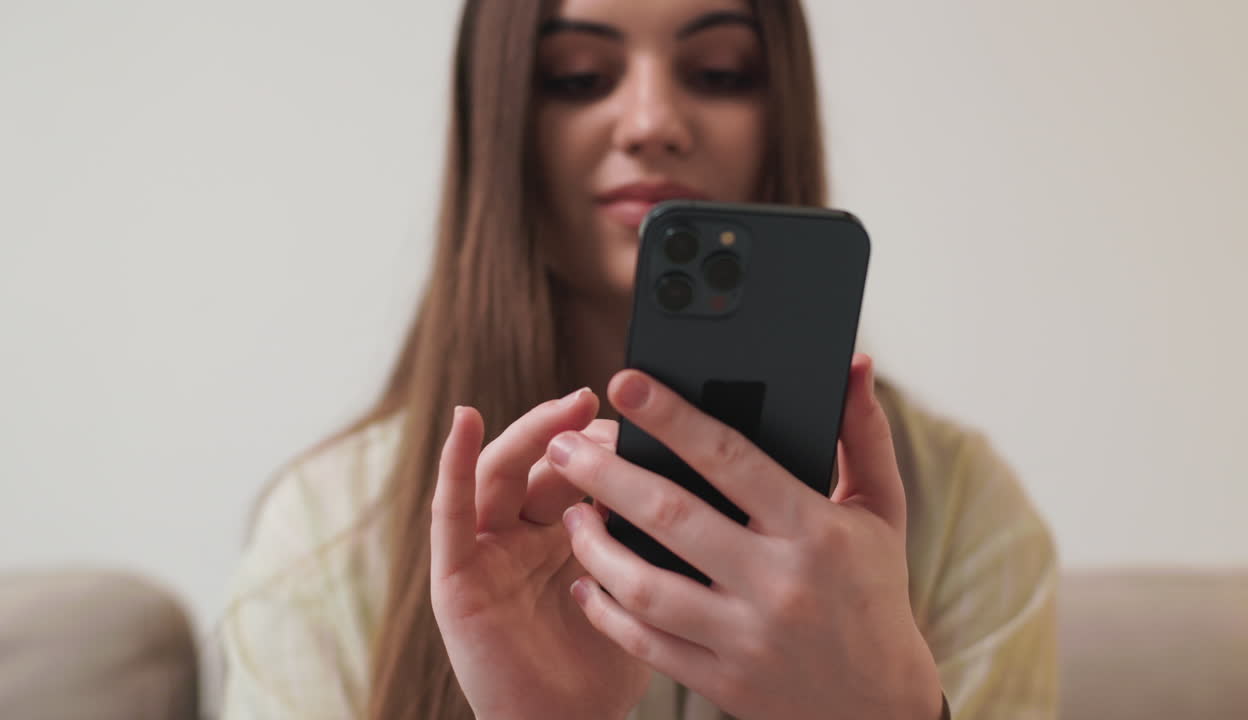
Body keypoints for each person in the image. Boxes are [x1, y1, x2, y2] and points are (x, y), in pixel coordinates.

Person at [218, 1, 1059, 718]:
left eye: (720, 72)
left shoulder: (962, 511)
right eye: (579, 78)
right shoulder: (329, 537)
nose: (653, 121)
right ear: (502, 123)